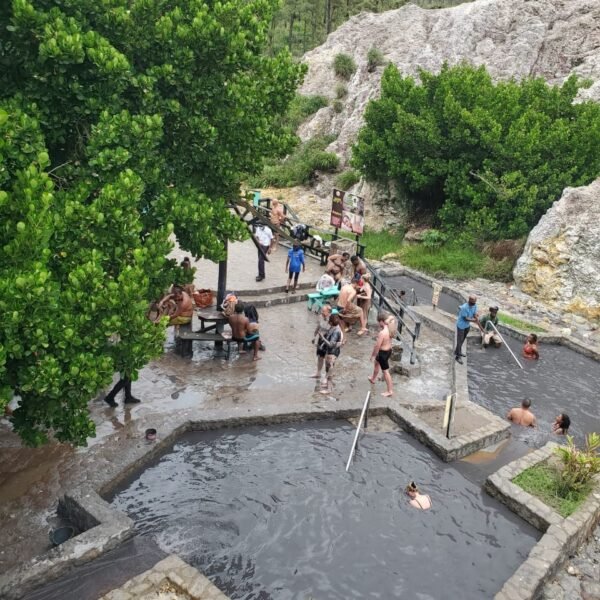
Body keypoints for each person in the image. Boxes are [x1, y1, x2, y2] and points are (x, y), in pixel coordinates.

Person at [316, 314, 343, 394]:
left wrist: (323, 338)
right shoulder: (335, 328)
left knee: (329, 369)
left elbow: (331, 344)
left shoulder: (336, 331)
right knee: (328, 369)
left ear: (331, 322)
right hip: (331, 351)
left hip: (332, 352)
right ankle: (328, 386)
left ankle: (329, 389)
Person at [368, 312, 394, 397]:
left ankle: (390, 391)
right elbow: (392, 317)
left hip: (383, 353)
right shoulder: (391, 327)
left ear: (382, 321)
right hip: (388, 350)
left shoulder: (382, 333)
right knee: (376, 364)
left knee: (385, 372)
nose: (378, 323)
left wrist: (373, 355)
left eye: (379, 322)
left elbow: (377, 346)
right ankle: (373, 378)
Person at [454, 295, 479, 364]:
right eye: (472, 302)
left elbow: (475, 313)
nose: (473, 303)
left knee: (462, 339)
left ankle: (457, 351)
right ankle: (458, 357)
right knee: (459, 340)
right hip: (461, 325)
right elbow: (466, 318)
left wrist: (476, 315)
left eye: (474, 302)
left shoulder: (475, 305)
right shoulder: (464, 307)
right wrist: (474, 320)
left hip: (467, 325)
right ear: (469, 300)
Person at [311, 304, 333, 380]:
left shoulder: (332, 319)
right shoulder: (320, 317)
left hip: (328, 341)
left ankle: (328, 375)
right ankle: (318, 373)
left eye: (324, 311)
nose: (322, 312)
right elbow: (318, 326)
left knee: (328, 359)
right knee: (320, 357)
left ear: (329, 312)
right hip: (321, 340)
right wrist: (314, 336)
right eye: (322, 310)